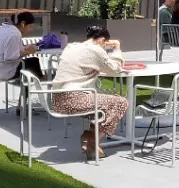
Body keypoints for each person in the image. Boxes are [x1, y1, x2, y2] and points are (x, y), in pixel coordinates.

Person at [50, 25, 129, 159]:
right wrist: (116, 48)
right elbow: (115, 69)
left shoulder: (71, 46)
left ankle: (90, 138)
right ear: (102, 40)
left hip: (58, 99)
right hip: (73, 98)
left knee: (104, 105)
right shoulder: (96, 50)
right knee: (120, 102)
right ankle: (92, 140)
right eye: (105, 44)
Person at [0, 11, 45, 83]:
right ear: (23, 24)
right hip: (1, 72)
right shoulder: (15, 34)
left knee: (31, 62)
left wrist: (26, 48)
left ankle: (30, 87)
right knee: (33, 61)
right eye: (30, 27)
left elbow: (9, 49)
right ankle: (40, 84)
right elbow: (11, 57)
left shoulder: (4, 29)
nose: (30, 30)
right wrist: (29, 52)